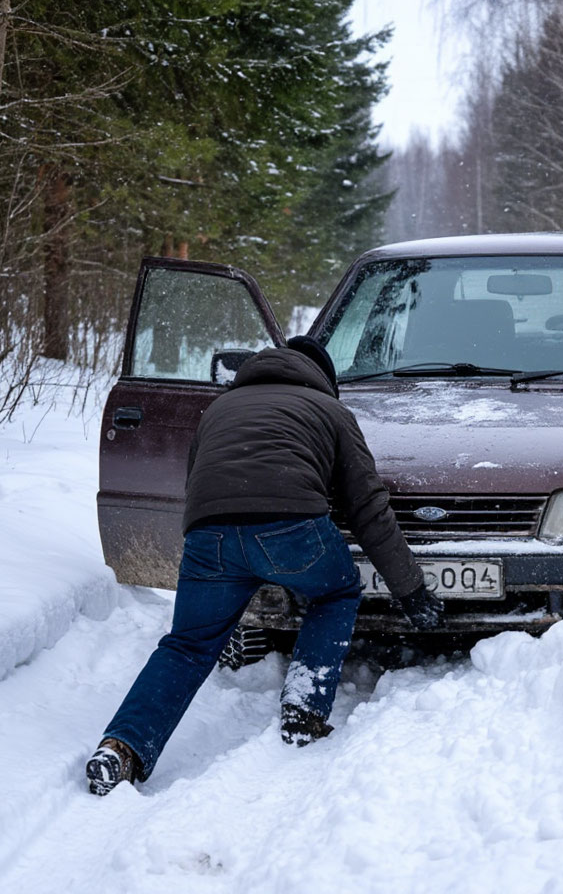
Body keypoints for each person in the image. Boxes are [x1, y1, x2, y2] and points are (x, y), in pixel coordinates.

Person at [85, 336, 443, 796]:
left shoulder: (219, 408)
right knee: (336, 592)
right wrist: (410, 590)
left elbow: (199, 481)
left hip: (209, 534)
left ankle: (121, 748)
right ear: (324, 378)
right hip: (290, 530)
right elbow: (368, 508)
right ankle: (303, 709)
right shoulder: (331, 411)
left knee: (188, 645)